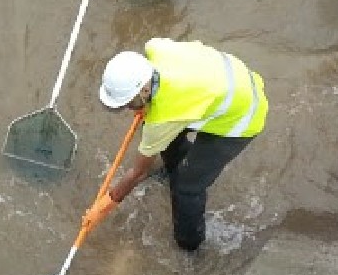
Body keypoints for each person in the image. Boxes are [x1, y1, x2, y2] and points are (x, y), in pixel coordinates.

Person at [83, 38, 268, 251]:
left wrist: (105, 204)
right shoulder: (156, 48)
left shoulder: (165, 115)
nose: (129, 109)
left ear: (144, 89)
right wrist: (144, 108)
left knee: (187, 187)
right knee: (154, 128)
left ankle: (190, 244)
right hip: (232, 82)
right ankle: (175, 168)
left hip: (241, 118)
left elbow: (138, 173)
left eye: (130, 103)